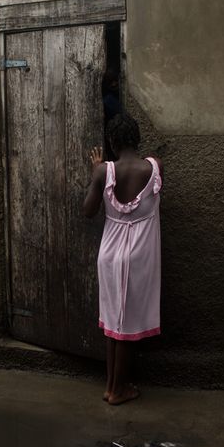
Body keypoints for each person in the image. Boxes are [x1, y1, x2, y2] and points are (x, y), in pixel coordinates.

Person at [83, 114, 163, 405]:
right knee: (126, 328)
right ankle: (119, 390)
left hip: (109, 255)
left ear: (112, 142)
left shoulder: (104, 172)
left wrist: (95, 173)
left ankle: (111, 386)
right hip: (139, 257)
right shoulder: (154, 167)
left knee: (114, 324)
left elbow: (88, 210)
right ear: (137, 138)